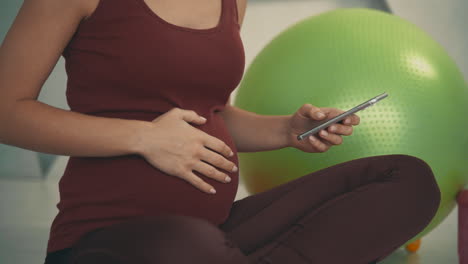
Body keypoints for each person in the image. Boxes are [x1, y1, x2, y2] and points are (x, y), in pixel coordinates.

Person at [0, 0, 440, 263]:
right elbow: (7, 110)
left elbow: (211, 114)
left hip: (219, 231)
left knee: (409, 181)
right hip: (106, 240)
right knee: (190, 247)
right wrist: (144, 137)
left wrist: (287, 130)